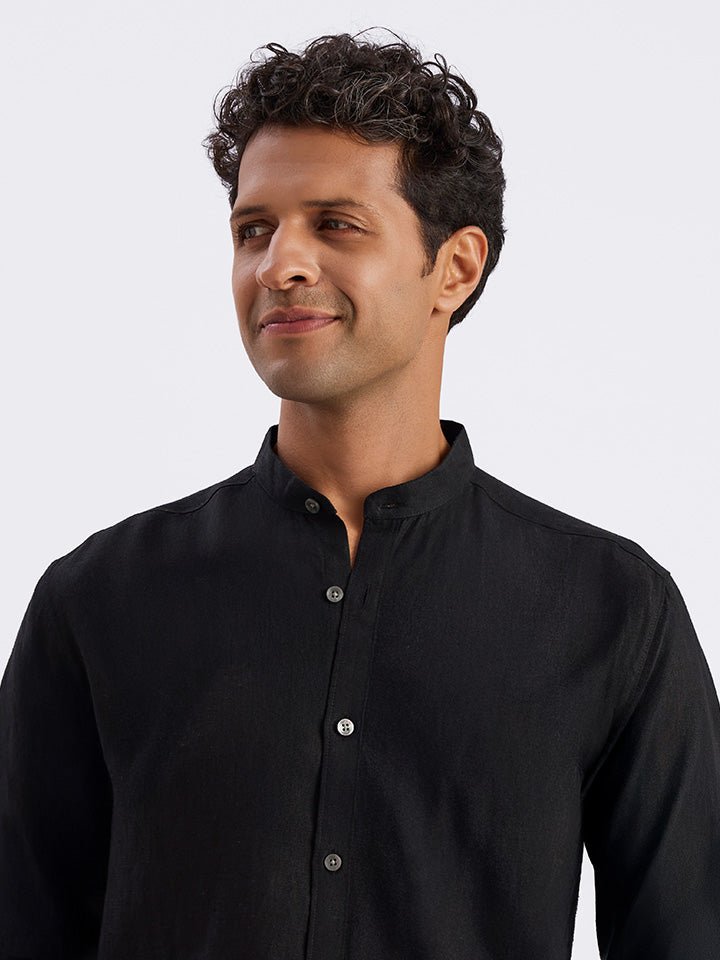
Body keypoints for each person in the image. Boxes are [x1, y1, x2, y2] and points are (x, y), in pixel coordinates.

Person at [1, 27, 718, 960]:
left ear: (455, 268)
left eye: (335, 224)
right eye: (253, 230)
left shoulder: (613, 610)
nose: (278, 265)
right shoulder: (97, 599)